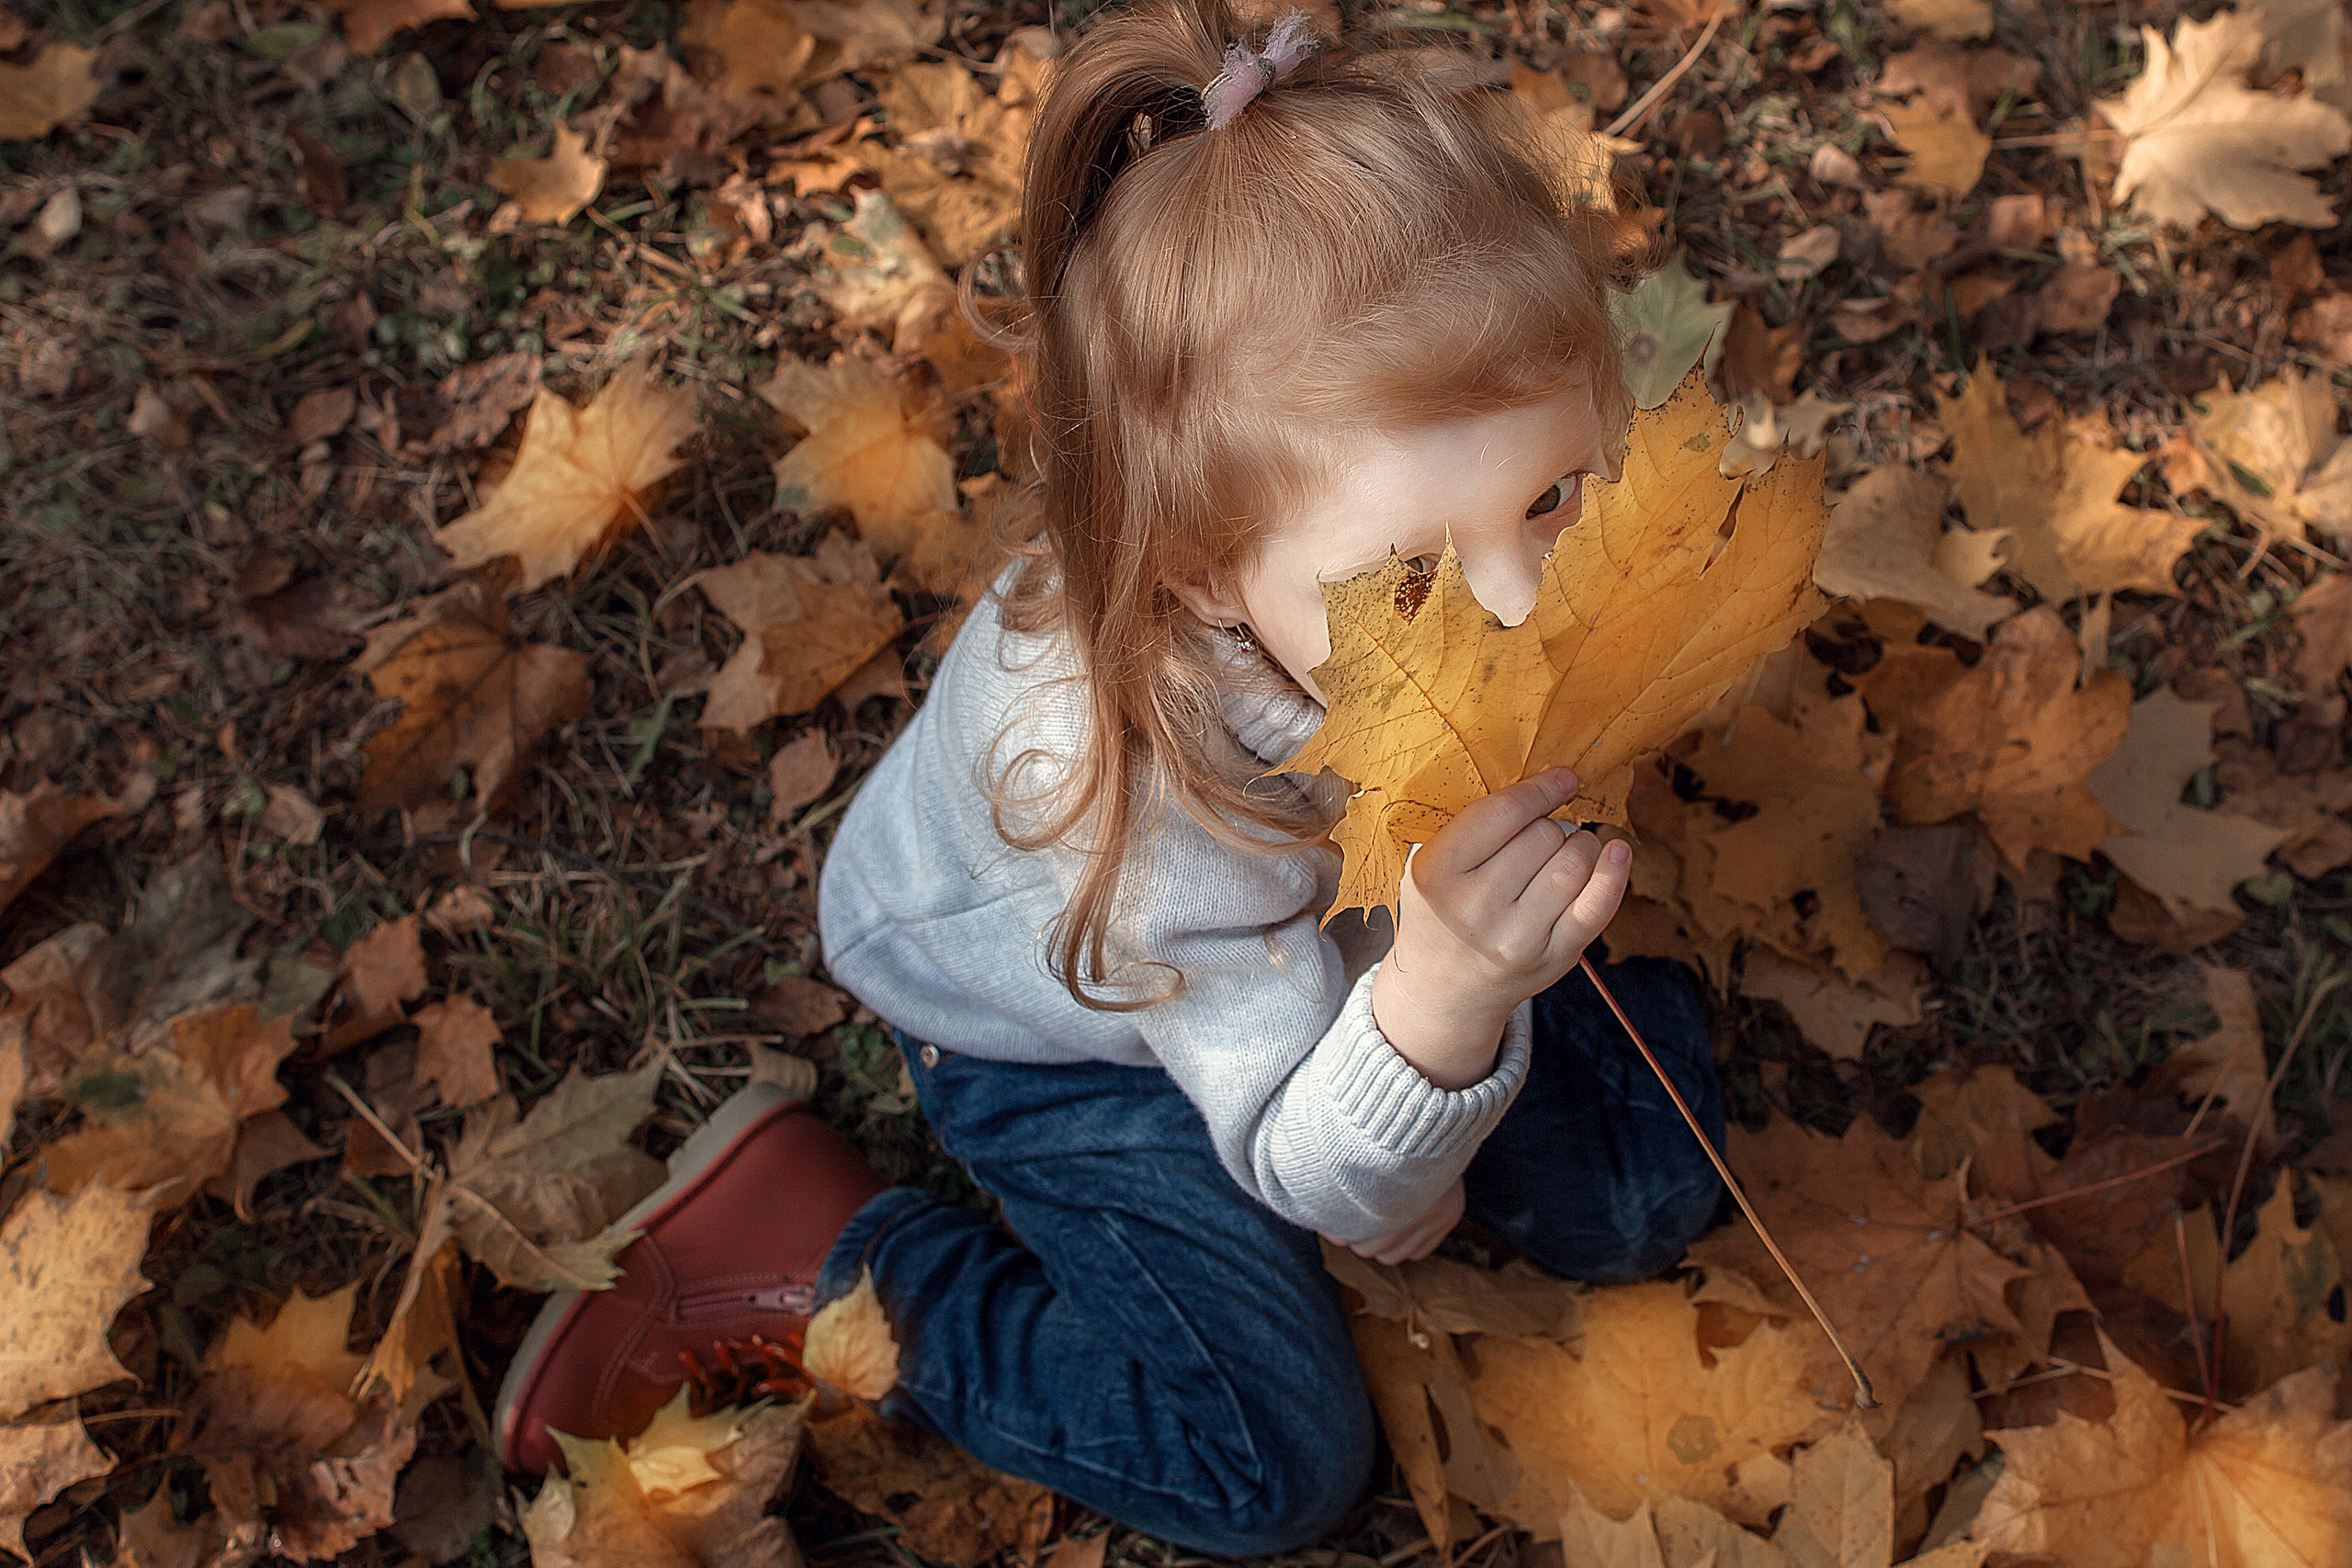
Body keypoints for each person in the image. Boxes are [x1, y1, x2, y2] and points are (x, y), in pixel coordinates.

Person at [492, 0, 1726, 1550]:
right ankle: (818, 1254)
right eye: (1413, 575)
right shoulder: (1130, 807)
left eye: (1553, 495)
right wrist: (1440, 1013)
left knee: (1642, 1193)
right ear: (1211, 576)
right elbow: (1299, 1160)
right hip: (1076, 1034)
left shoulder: (1395, 584)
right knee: (1268, 1464)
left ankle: (1490, 1055)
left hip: (1343, 929)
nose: (1521, 611)